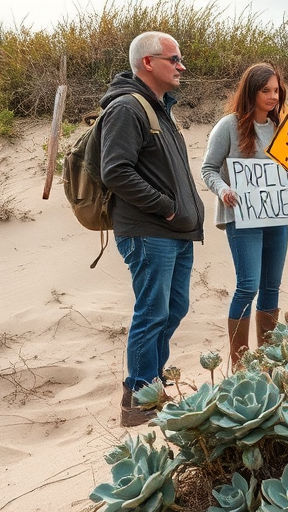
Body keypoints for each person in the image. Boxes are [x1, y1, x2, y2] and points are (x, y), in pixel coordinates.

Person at [99, 31, 204, 426]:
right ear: (148, 62)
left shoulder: (159, 108)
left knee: (174, 308)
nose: (181, 66)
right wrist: (169, 209)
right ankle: (139, 397)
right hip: (149, 230)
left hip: (174, 232)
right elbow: (116, 172)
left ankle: (152, 384)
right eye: (174, 59)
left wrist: (182, 216)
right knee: (153, 310)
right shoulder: (128, 107)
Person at [201, 63, 288, 368]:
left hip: (276, 218)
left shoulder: (283, 129)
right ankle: (239, 361)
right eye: (266, 91)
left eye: (277, 91)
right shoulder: (228, 126)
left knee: (272, 286)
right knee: (248, 285)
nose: (273, 97)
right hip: (242, 218)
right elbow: (208, 169)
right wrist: (223, 190)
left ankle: (269, 356)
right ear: (251, 92)